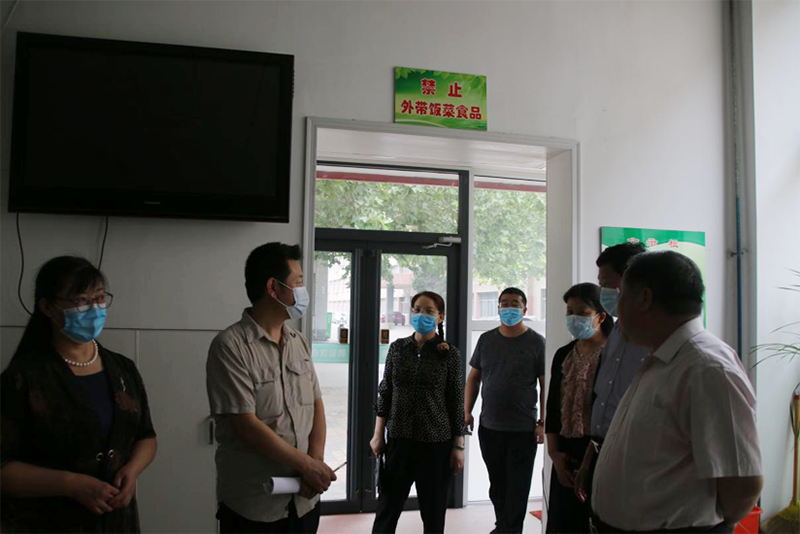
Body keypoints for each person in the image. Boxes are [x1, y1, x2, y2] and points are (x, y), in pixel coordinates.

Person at [592, 252, 763, 534]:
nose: (616, 308)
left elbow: (742, 483)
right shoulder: (663, 358)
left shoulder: (706, 368)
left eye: (621, 295)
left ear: (644, 298)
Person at [0, 256, 158, 533]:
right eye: (81, 301)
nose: (94, 309)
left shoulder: (122, 369)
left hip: (117, 521)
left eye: (99, 298)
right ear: (47, 307)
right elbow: (4, 469)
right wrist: (71, 485)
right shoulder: (24, 377)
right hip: (48, 521)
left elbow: (146, 436)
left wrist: (132, 471)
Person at [206, 243, 336, 534]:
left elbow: (316, 404)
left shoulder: (298, 342)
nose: (303, 291)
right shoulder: (230, 346)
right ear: (273, 288)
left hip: (304, 499)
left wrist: (314, 463)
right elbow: (245, 424)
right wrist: (307, 466)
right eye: (298, 283)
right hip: (255, 505)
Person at [371, 291, 466, 534]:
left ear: (440, 316)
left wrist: (458, 445)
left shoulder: (450, 354)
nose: (421, 315)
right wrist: (378, 434)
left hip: (435, 444)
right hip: (399, 441)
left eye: (428, 311)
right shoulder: (398, 348)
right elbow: (385, 392)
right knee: (387, 509)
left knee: (433, 515)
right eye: (416, 310)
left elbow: (456, 400)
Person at [464, 288, 546, 534]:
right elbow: (474, 378)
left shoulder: (536, 342)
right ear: (498, 308)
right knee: (497, 486)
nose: (509, 308)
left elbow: (545, 384)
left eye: (515, 304)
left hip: (523, 429)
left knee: (517, 488)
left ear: (525, 309)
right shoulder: (486, 340)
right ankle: (503, 526)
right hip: (490, 427)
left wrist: (543, 422)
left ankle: (511, 530)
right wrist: (466, 411)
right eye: (504, 304)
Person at [573, 242, 649, 506]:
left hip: (636, 457)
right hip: (602, 450)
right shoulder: (616, 332)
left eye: (606, 284)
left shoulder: (656, 339)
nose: (603, 292)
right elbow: (603, 401)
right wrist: (589, 459)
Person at [545, 283, 612, 534]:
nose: (574, 318)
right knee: (563, 523)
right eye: (570, 312)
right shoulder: (563, 354)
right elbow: (553, 407)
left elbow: (611, 412)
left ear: (600, 317)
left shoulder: (612, 356)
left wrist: (588, 461)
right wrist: (554, 454)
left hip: (599, 453)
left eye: (582, 313)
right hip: (564, 453)